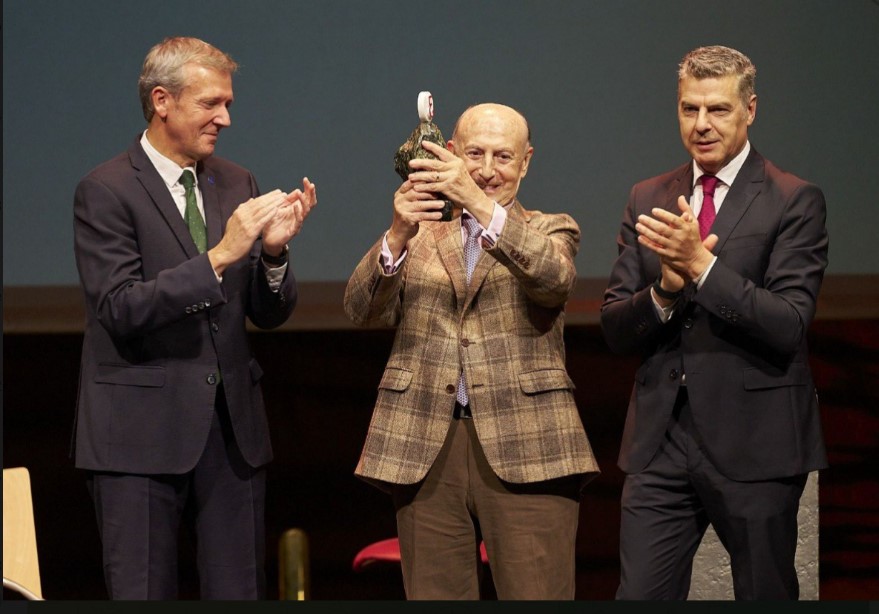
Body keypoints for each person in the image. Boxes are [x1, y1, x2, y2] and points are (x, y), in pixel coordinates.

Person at [71, 36, 316, 600]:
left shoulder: (236, 181)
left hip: (231, 435)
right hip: (137, 436)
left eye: (227, 103)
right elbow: (120, 307)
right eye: (211, 104)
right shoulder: (105, 190)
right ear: (162, 101)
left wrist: (274, 256)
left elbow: (266, 312)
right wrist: (222, 254)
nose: (225, 118)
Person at [344, 102, 599, 600]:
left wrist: (478, 206)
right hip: (426, 445)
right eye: (475, 155)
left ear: (526, 161)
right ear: (453, 153)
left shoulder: (551, 228)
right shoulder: (419, 232)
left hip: (528, 445)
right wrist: (397, 233)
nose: (486, 170)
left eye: (503, 157)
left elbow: (553, 279)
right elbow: (360, 310)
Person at [600, 45, 829, 600]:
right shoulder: (649, 196)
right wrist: (666, 289)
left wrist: (702, 267)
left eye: (718, 110)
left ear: (751, 109)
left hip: (756, 441)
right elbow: (614, 326)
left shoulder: (793, 200)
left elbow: (787, 323)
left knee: (765, 593)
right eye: (689, 109)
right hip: (661, 443)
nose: (701, 124)